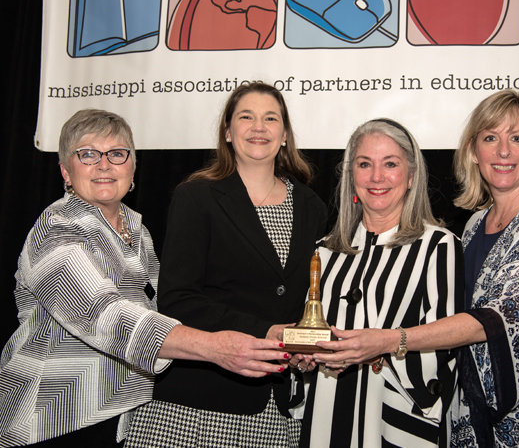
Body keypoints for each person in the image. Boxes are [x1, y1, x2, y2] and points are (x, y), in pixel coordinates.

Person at [315, 90, 519, 447]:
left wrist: (388, 341)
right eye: (490, 138)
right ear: (473, 152)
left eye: (517, 139)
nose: (503, 151)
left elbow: (499, 318)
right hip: (476, 421)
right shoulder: (474, 227)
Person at [0, 109, 291, 448]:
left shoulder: (135, 229)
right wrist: (216, 347)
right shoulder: (56, 229)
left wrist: (264, 333)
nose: (105, 164)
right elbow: (104, 315)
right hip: (54, 418)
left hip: (121, 416)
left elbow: (166, 308)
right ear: (66, 171)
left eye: (117, 154)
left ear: (133, 167)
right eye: (88, 154)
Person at [124, 82, 328, 448]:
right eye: (245, 117)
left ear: (284, 135)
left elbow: (302, 301)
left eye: (270, 118)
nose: (258, 127)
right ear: (228, 132)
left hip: (277, 409)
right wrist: (266, 332)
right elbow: (178, 299)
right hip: (199, 406)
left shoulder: (312, 206)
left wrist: (302, 349)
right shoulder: (197, 197)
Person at [296, 119, 464, 447]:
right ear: (351, 176)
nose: (376, 177)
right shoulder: (325, 250)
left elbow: (446, 346)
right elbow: (310, 339)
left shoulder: (438, 246)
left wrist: (380, 350)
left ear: (411, 175)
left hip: (398, 421)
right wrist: (302, 359)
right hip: (326, 419)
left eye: (390, 164)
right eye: (364, 164)